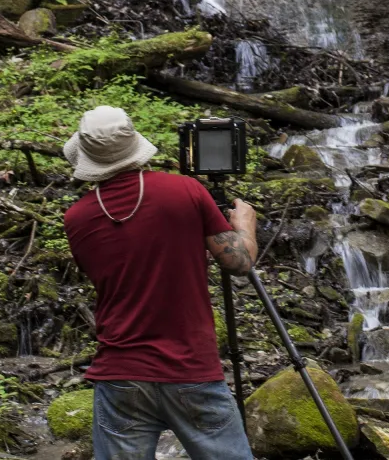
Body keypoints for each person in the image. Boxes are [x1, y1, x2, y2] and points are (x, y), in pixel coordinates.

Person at [62, 106, 258, 460]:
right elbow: (239, 263)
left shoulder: (76, 218)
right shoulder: (185, 190)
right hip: (189, 367)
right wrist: (244, 224)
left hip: (120, 374)